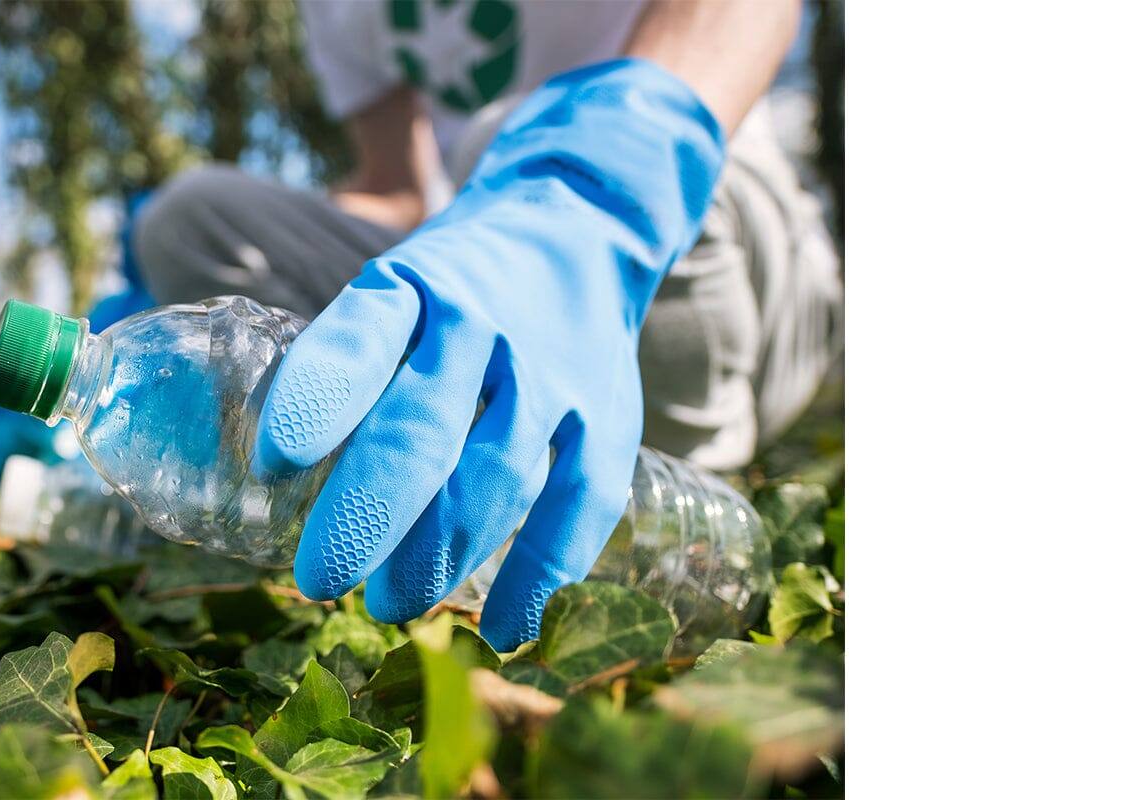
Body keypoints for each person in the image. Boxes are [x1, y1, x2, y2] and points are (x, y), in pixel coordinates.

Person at [131, 0, 841, 650]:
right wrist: (203, 339)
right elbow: (395, 191)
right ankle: (480, 465)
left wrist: (587, 197)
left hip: (703, 231)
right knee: (192, 220)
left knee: (496, 134)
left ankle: (682, 472)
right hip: (493, 258)